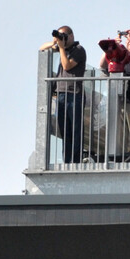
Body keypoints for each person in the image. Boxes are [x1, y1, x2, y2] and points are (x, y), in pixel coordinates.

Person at [41, 26, 87, 163]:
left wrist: (61, 48)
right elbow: (42, 48)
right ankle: (67, 161)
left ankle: (76, 161)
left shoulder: (79, 50)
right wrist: (55, 42)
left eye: (65, 36)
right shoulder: (62, 48)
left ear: (71, 36)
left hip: (75, 94)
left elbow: (66, 66)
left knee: (75, 131)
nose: (64, 40)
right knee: (65, 131)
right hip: (61, 94)